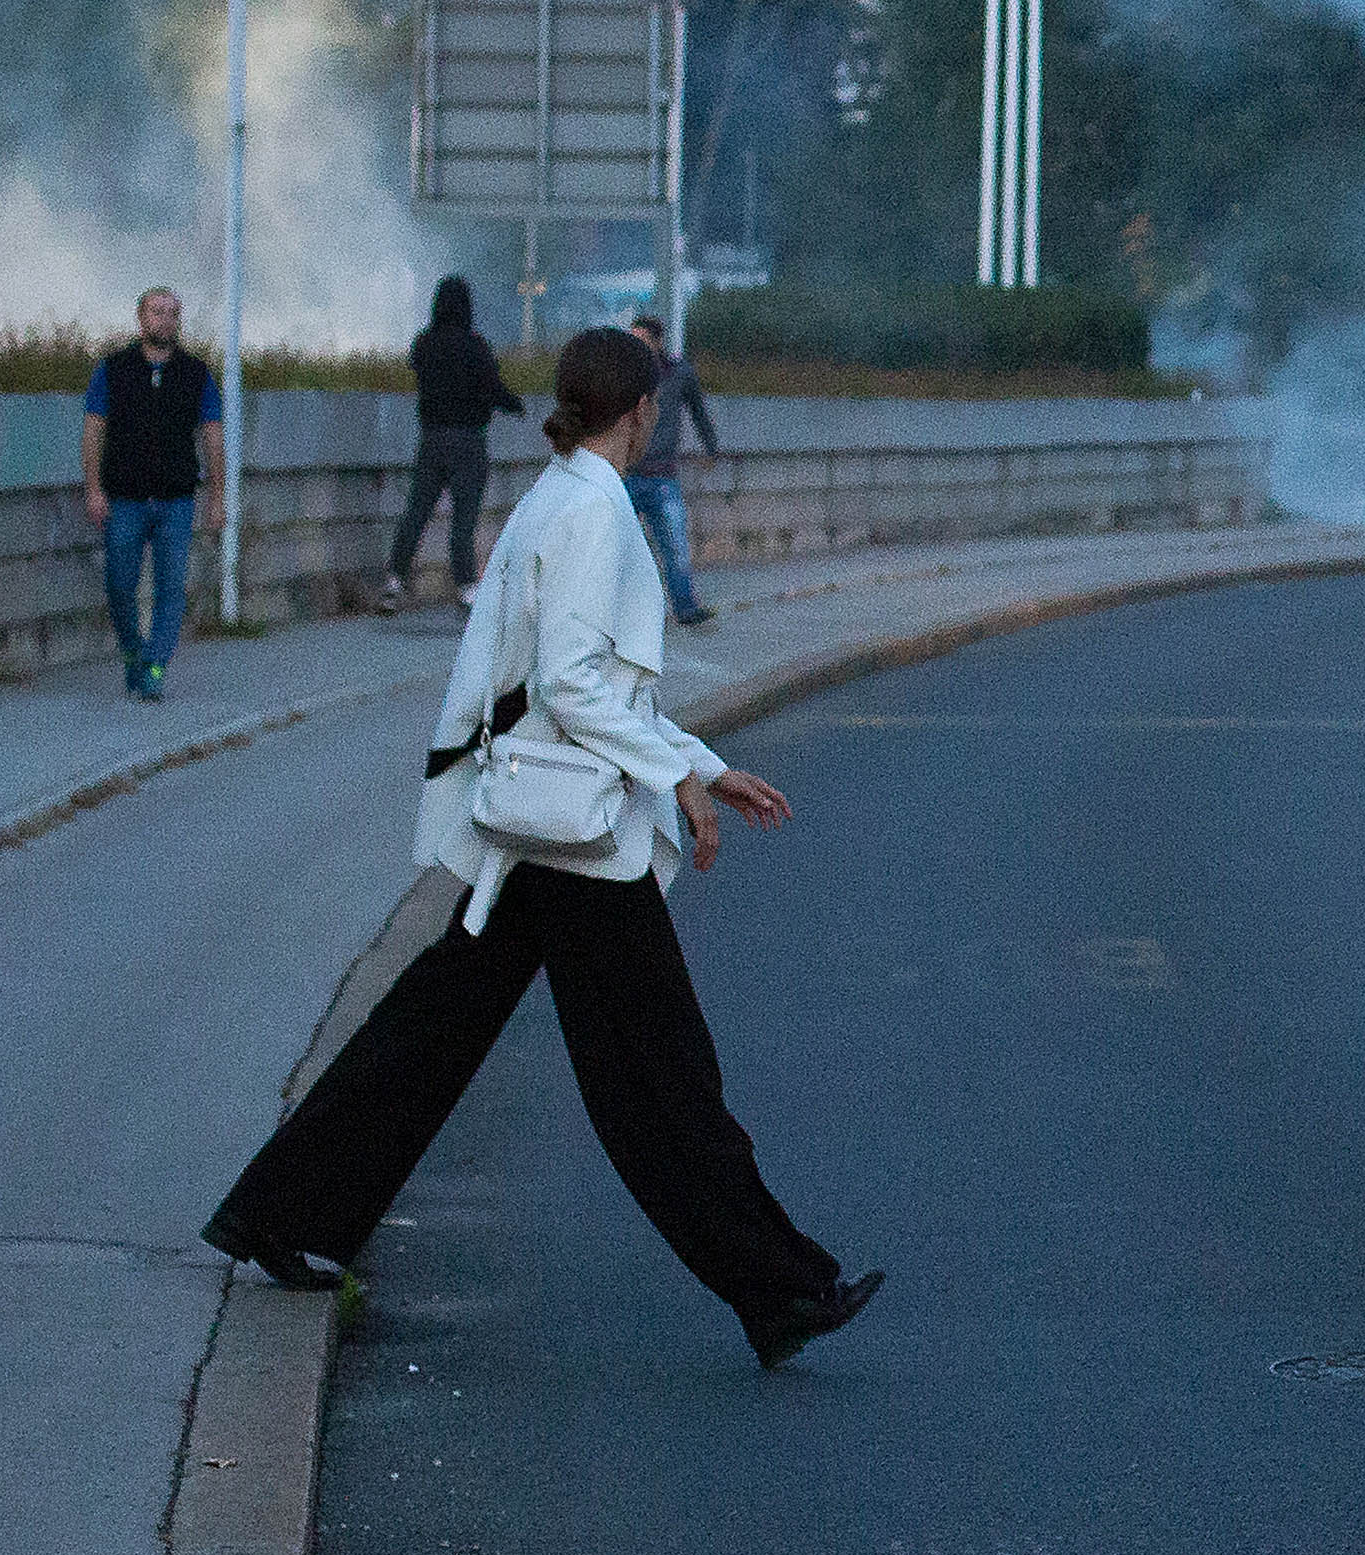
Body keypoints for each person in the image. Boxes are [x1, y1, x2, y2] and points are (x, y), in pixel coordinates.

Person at [203, 327, 877, 1368]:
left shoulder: (552, 496)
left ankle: (281, 1212)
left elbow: (578, 685)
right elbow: (571, 685)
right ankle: (780, 1288)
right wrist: (680, 776)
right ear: (643, 411)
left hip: (537, 814)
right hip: (573, 836)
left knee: (433, 1029)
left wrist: (696, 757)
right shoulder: (596, 513)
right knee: (663, 1079)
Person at [83, 287, 224, 702]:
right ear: (140, 318)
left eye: (171, 313)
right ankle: (132, 650)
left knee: (170, 589)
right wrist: (93, 488)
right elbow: (94, 429)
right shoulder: (113, 369)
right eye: (155, 312)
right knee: (120, 586)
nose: (163, 320)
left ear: (178, 322)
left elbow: (212, 435)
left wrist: (217, 496)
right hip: (123, 498)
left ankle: (155, 666)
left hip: (176, 500)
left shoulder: (196, 374)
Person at [383, 277, 521, 614]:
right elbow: (493, 389)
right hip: (468, 441)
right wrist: (515, 405)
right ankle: (465, 585)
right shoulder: (476, 347)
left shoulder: (425, 345)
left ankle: (394, 580)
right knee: (464, 518)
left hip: (431, 440)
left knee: (417, 512)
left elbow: (419, 371)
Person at [623, 312, 719, 629]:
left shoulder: (678, 374)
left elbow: (699, 412)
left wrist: (710, 447)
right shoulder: (626, 377)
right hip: (627, 474)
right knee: (621, 550)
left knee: (675, 549)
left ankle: (685, 608)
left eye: (642, 340)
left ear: (657, 341)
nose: (637, 347)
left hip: (662, 475)